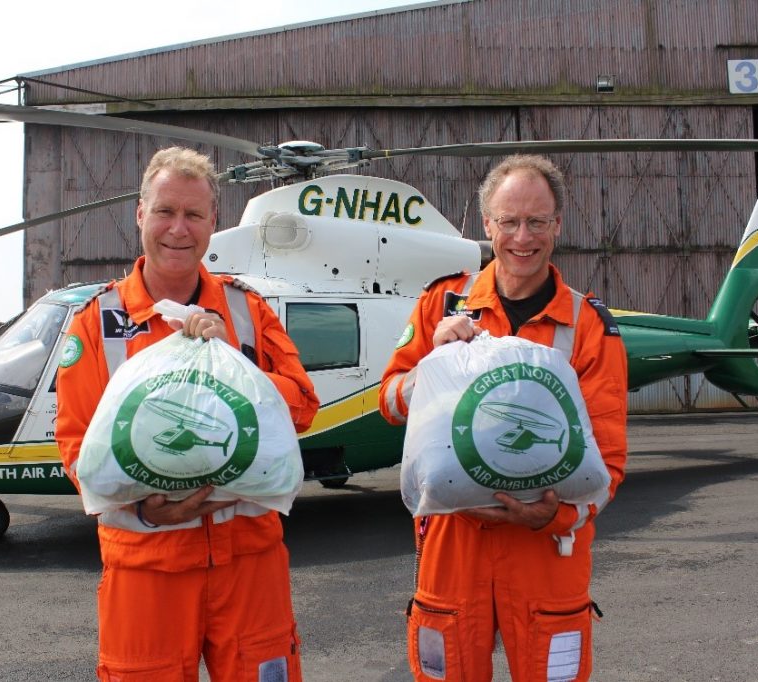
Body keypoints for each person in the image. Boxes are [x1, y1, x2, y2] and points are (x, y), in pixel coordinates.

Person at [56, 146, 319, 682]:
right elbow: (78, 450)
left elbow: (302, 407)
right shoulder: (96, 322)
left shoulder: (246, 311)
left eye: (194, 214)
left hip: (248, 562)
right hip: (146, 564)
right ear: (140, 214)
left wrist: (235, 364)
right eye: (165, 211)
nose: (178, 229)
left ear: (212, 222)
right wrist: (146, 511)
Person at [379, 155, 628, 681]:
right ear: (487, 224)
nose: (522, 237)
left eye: (537, 222)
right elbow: (390, 402)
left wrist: (554, 518)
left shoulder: (587, 326)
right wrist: (431, 367)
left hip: (547, 554)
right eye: (509, 221)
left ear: (557, 226)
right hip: (453, 547)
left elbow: (607, 464)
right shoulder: (441, 304)